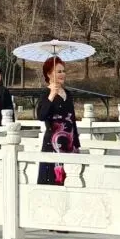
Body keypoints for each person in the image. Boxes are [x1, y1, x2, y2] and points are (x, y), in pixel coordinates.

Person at [36, 56, 80, 185]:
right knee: (53, 179)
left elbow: (72, 119)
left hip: (69, 142)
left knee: (70, 181)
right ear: (49, 74)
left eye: (63, 71)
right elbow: (41, 116)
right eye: (58, 71)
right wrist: (51, 96)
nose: (62, 74)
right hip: (53, 142)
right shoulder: (45, 93)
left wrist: (76, 143)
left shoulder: (68, 94)